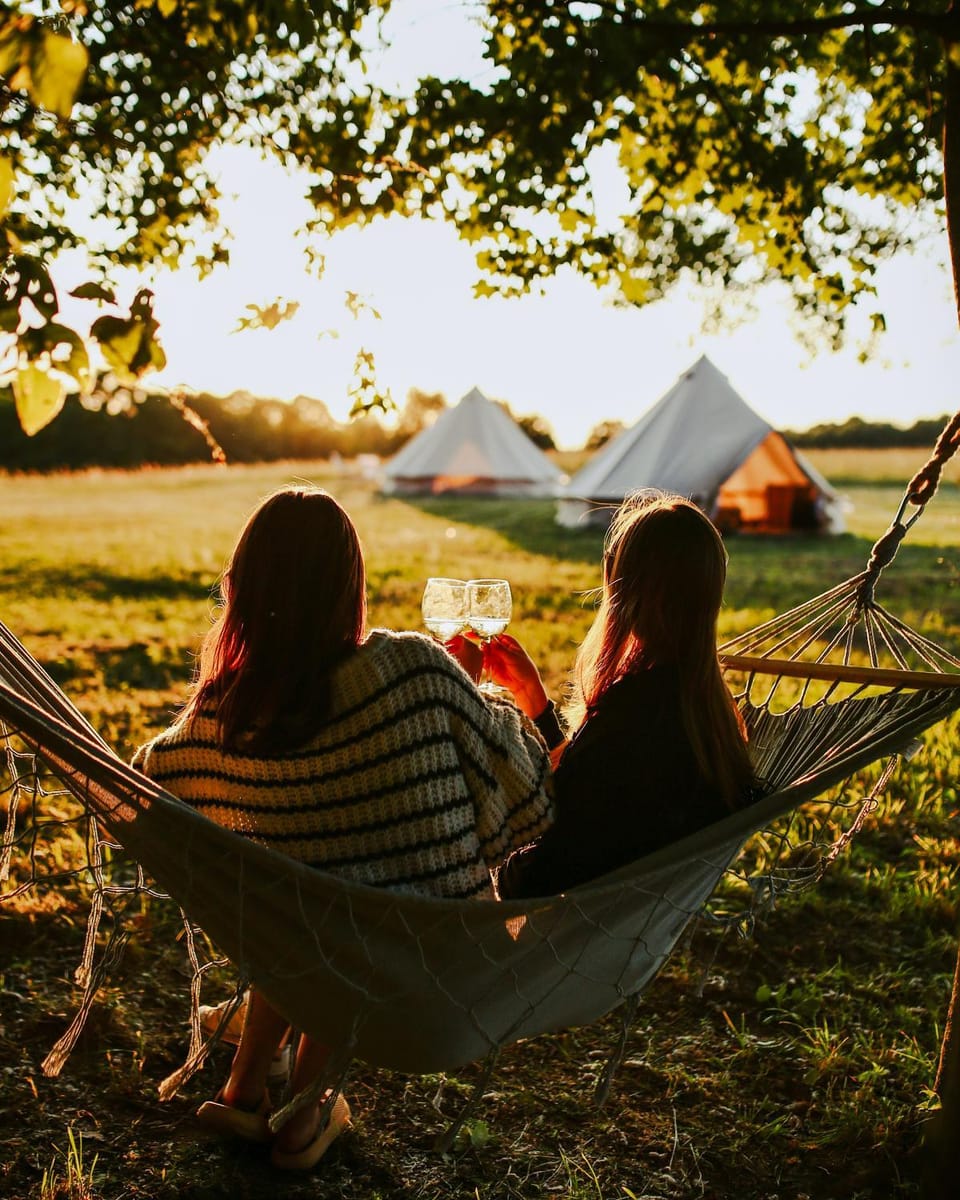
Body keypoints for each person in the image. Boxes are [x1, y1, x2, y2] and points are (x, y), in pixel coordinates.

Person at [132, 486, 553, 1170]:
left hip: (311, 952)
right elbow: (526, 783)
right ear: (349, 588)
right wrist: (475, 692)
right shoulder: (413, 671)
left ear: (239, 590)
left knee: (297, 892)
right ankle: (305, 1114)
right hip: (439, 980)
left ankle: (245, 1087)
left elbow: (146, 782)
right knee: (349, 888)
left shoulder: (222, 717)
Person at [480, 491, 755, 899]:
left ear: (628, 594)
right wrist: (534, 701)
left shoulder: (632, 718)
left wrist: (490, 864)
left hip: (556, 942)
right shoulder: (705, 712)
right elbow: (589, 794)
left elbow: (542, 872)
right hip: (623, 930)